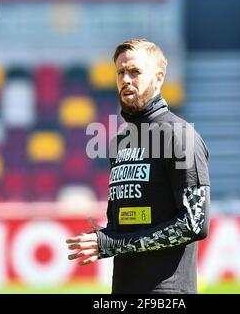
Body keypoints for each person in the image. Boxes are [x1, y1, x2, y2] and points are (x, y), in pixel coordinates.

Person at [66, 38, 211, 294]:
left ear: (159, 78)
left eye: (135, 72)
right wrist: (101, 239)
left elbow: (195, 223)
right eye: (120, 72)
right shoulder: (120, 142)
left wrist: (114, 243)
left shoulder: (179, 136)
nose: (125, 79)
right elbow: (120, 227)